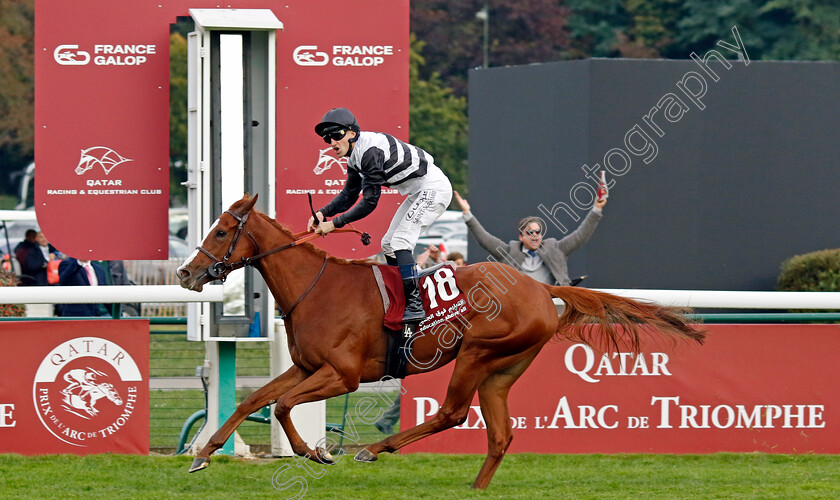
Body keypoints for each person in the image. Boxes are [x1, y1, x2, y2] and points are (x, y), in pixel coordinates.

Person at [308, 108, 453, 326]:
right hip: (418, 191)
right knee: (388, 244)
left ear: (352, 134)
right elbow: (349, 195)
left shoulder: (369, 152)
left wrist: (335, 224)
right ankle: (401, 298)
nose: (332, 142)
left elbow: (369, 202)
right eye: (327, 138)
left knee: (400, 241)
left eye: (336, 135)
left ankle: (414, 304)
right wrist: (323, 213)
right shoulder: (354, 158)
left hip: (433, 188)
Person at [454, 190, 606, 286]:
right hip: (520, 307)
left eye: (538, 232)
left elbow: (581, 235)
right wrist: (467, 213)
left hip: (553, 303)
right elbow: (483, 238)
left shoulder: (555, 248)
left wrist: (596, 209)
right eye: (530, 233)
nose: (535, 236)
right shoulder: (509, 251)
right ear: (521, 236)